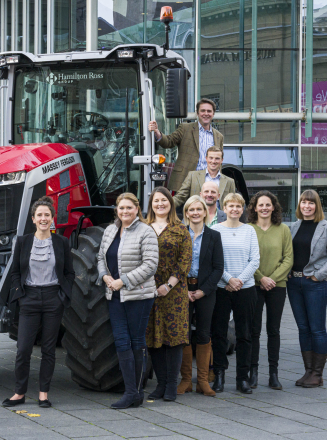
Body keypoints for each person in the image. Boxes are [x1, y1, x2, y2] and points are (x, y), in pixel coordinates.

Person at [2, 196, 75, 409]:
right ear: (33, 218)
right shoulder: (23, 241)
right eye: (39, 215)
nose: (43, 218)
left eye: (47, 215)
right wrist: (21, 295)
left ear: (52, 219)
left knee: (49, 349)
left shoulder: (62, 242)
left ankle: (43, 394)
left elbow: (69, 272)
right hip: (30, 298)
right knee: (23, 349)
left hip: (54, 298)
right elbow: (15, 271)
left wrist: (63, 295)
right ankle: (19, 392)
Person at [96, 193, 158, 409]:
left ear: (137, 209)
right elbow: (100, 258)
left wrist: (123, 281)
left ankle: (136, 392)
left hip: (138, 296)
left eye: (129, 208)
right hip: (114, 295)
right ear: (116, 209)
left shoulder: (146, 231)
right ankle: (131, 392)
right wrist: (105, 277)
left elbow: (150, 265)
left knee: (136, 342)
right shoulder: (110, 230)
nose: (125, 212)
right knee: (122, 343)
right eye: (121, 208)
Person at [288, 190, 327, 388]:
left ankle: (317, 374)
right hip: (294, 283)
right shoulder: (294, 226)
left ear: (317, 206)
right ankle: (308, 371)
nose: (307, 206)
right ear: (299, 205)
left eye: (311, 203)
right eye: (304, 202)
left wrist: (318, 275)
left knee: (317, 329)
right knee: (303, 328)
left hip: (315, 284)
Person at [145, 187, 192, 402]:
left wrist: (168, 285)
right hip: (147, 289)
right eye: (156, 201)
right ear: (151, 204)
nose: (160, 204)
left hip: (173, 291)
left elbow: (185, 261)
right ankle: (161, 384)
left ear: (171, 204)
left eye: (164, 200)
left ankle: (172, 384)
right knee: (153, 336)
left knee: (173, 338)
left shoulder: (180, 229)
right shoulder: (143, 228)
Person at [211, 193, 260, 394]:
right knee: (219, 333)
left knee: (245, 334)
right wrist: (229, 280)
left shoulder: (249, 231)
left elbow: (255, 260)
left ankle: (242, 378)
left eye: (238, 206)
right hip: (222, 289)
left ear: (242, 209)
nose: (234, 209)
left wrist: (239, 280)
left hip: (245, 288)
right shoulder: (215, 230)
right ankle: (220, 375)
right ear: (225, 208)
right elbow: (213, 261)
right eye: (230, 206)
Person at [177, 196, 223, 397]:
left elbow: (218, 268)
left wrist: (204, 290)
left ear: (205, 212)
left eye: (199, 209)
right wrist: (183, 290)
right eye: (191, 209)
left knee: (204, 333)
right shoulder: (180, 235)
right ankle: (186, 381)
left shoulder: (214, 236)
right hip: (182, 290)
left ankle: (203, 381)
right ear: (186, 213)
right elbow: (173, 265)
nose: (195, 213)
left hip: (205, 291)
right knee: (184, 335)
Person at [247, 191, 293, 390]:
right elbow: (246, 258)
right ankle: (253, 372)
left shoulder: (283, 230)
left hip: (277, 287)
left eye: (268, 205)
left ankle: (273, 374)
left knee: (273, 330)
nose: (264, 208)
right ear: (254, 208)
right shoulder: (248, 229)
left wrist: (271, 280)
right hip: (253, 286)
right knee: (254, 331)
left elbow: (288, 259)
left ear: (274, 207)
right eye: (260, 205)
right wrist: (260, 278)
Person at [148, 98, 224, 192]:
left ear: (213, 114)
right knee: (183, 207)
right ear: (197, 113)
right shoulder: (185, 128)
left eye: (209, 111)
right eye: (203, 111)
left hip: (208, 184)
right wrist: (156, 132)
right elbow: (168, 141)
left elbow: (218, 161)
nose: (206, 113)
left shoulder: (219, 136)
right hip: (185, 181)